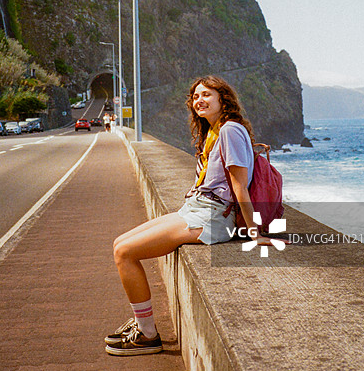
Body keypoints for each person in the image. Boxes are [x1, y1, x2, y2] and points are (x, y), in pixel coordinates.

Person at [105, 75, 272, 356]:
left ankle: (148, 335)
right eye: (195, 97)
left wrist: (255, 233)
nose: (199, 101)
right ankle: (141, 324)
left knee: (125, 252)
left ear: (223, 99)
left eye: (207, 95)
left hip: (213, 216)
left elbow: (239, 185)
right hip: (196, 207)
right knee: (119, 243)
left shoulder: (230, 130)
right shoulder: (215, 130)